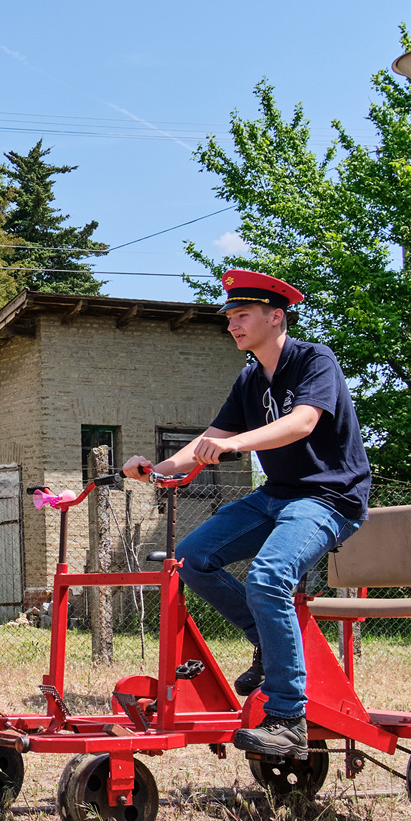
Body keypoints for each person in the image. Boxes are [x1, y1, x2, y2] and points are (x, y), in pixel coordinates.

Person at [122, 269, 371, 762]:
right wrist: (157, 469)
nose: (232, 325)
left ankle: (287, 717)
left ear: (275, 318)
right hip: (276, 495)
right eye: (230, 317)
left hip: (329, 498)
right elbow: (208, 437)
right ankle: (267, 641)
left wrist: (233, 445)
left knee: (269, 576)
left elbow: (301, 423)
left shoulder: (313, 359)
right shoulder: (250, 378)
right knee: (191, 558)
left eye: (242, 315)